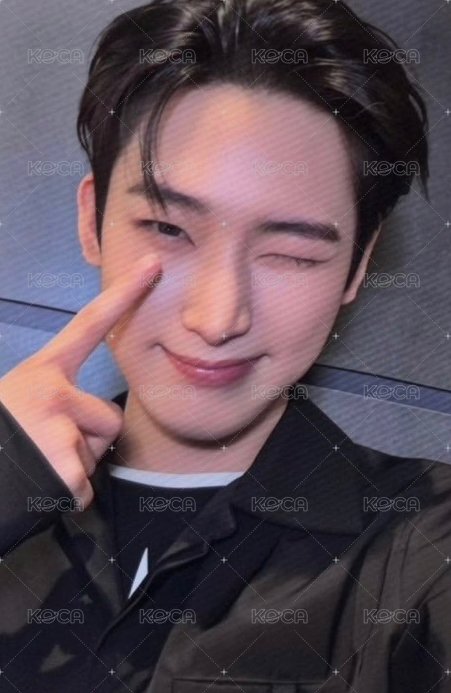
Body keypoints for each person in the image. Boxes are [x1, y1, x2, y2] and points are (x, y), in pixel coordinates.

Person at [0, 0, 449, 691]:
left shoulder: (424, 546)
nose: (217, 318)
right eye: (167, 229)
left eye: (291, 253)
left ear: (358, 265)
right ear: (92, 220)